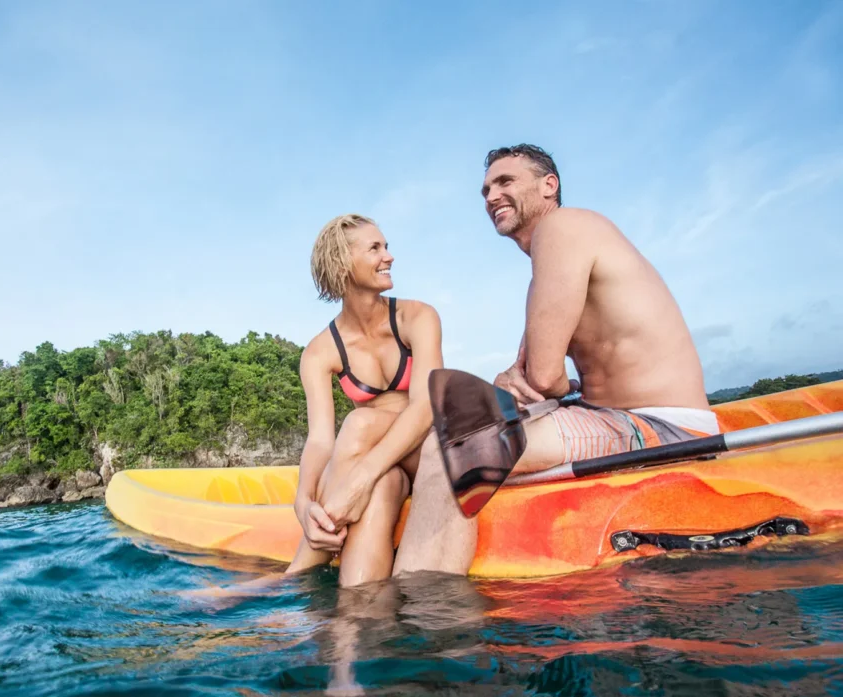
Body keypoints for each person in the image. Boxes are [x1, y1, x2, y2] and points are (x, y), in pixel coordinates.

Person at [391, 144, 718, 577]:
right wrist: (520, 381)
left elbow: (541, 379)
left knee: (454, 446)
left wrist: (523, 382)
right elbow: (532, 379)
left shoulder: (562, 229)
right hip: (607, 415)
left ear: (550, 185)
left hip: (663, 427)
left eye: (505, 182)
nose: (490, 196)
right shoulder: (548, 265)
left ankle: (429, 617)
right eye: (486, 188)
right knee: (442, 437)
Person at [289, 213, 444, 588]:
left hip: (426, 451)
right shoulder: (318, 352)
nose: (388, 256)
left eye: (386, 246)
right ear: (342, 264)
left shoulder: (416, 317)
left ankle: (293, 575)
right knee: (380, 492)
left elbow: (425, 409)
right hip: (385, 468)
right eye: (375, 248)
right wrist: (302, 501)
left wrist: (358, 479)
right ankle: (355, 634)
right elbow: (320, 440)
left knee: (358, 423)